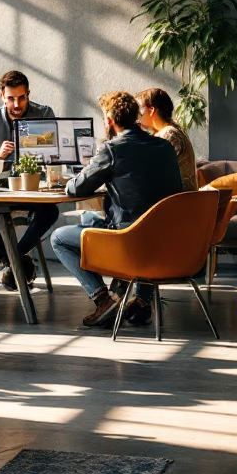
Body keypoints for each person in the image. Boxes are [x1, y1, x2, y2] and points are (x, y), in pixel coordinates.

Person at [50, 91, 182, 328]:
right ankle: (141, 299)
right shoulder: (164, 147)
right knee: (94, 218)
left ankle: (102, 298)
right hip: (166, 241)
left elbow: (76, 188)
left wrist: (66, 180)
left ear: (109, 120)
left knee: (59, 238)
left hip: (128, 242)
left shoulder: (112, 149)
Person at [0, 70, 60, 290]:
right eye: (11, 98)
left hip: (34, 187)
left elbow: (55, 153)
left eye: (21, 97)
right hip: (3, 188)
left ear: (28, 94)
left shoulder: (44, 113)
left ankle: (10, 260)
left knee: (50, 212)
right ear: (2, 96)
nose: (16, 103)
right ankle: (17, 263)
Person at [136, 88, 198, 192]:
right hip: (182, 200)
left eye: (139, 111)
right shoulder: (174, 129)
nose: (137, 117)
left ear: (151, 110)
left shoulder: (169, 134)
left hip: (176, 202)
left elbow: (151, 172)